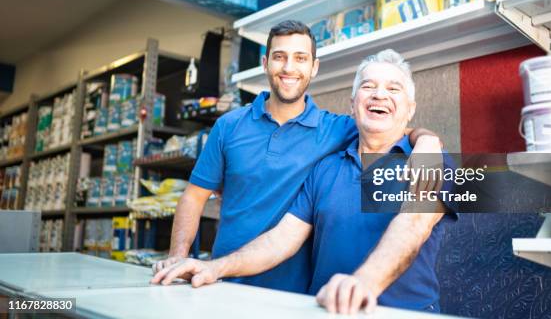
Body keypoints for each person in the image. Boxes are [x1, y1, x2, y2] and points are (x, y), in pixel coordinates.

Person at [152, 21, 443, 294]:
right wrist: (183, 259)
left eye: (300, 58)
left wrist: (428, 140)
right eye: (279, 57)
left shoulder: (434, 162)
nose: (289, 67)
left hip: (303, 294)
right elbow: (198, 199)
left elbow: (415, 220)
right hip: (234, 283)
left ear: (314, 67)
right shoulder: (320, 167)